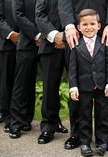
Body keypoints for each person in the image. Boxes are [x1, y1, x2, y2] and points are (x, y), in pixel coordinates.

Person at [58, 0, 108, 150]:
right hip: (74, 32)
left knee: (105, 101)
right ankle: (78, 136)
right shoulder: (78, 41)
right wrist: (69, 26)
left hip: (105, 32)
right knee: (80, 102)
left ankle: (107, 136)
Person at [69, 9, 108, 156]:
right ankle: (84, 143)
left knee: (103, 115)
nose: (89, 27)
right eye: (85, 24)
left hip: (102, 86)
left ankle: (103, 142)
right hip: (84, 87)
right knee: (84, 116)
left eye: (92, 24)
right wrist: (73, 87)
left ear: (99, 25)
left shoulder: (104, 43)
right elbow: (72, 69)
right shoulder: (76, 46)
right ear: (79, 27)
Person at [35, 0, 68, 144]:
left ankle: (79, 129)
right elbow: (40, 14)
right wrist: (55, 35)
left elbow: (82, 11)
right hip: (49, 44)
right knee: (49, 88)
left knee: (77, 86)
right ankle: (49, 126)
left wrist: (66, 37)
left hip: (75, 43)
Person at [8, 0, 39, 139]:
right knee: (21, 86)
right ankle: (16, 124)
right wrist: (36, 35)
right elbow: (18, 15)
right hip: (27, 43)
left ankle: (30, 120)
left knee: (51, 84)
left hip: (50, 42)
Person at [0, 0, 19, 133]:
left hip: (28, 43)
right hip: (8, 45)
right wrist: (11, 35)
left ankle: (24, 118)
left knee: (25, 83)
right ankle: (8, 118)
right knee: (7, 83)